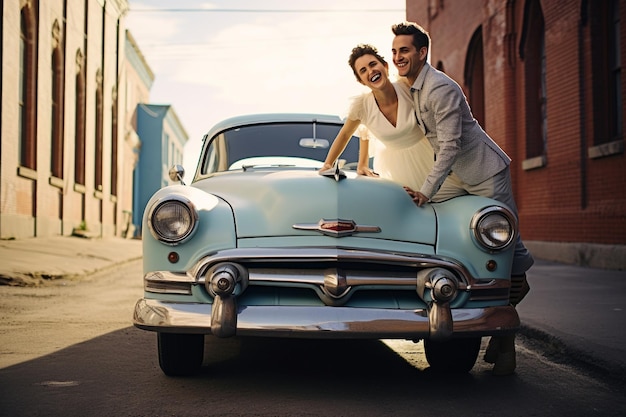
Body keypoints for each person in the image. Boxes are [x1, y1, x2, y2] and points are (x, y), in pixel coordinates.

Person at [391, 21, 533, 375]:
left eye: (404, 50)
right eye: (394, 51)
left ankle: (504, 337)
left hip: (485, 174)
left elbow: (451, 146)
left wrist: (426, 188)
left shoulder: (441, 89)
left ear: (422, 52)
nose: (397, 57)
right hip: (456, 178)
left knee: (509, 254)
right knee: (423, 211)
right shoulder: (411, 88)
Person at [321, 44, 465, 202]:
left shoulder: (407, 86)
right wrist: (330, 164)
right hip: (399, 172)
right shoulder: (362, 106)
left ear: (385, 66)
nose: (370, 71)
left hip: (431, 158)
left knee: (457, 199)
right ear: (361, 81)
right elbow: (347, 134)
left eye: (373, 64)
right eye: (363, 71)